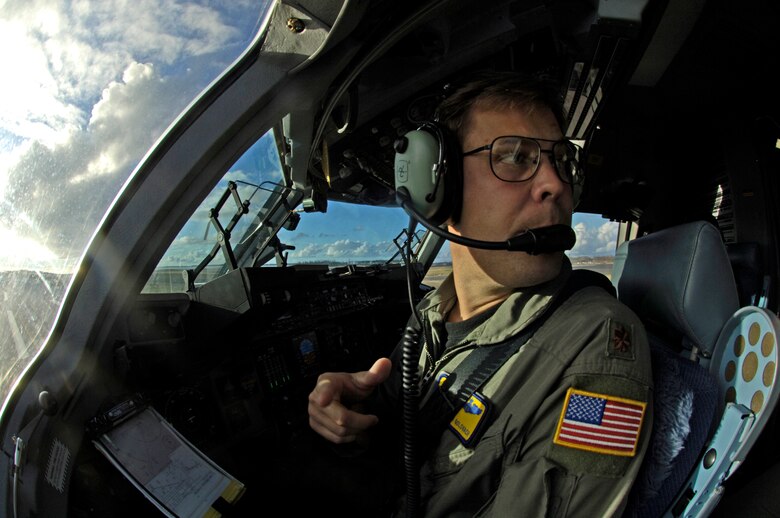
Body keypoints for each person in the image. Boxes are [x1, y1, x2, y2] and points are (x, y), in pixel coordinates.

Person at [308, 70, 653, 517]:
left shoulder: (599, 344)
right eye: (513, 156)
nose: (555, 184)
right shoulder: (433, 312)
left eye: (561, 160)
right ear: (440, 190)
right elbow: (401, 438)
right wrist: (352, 424)